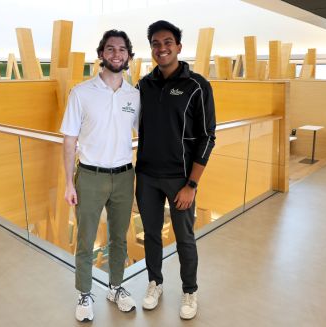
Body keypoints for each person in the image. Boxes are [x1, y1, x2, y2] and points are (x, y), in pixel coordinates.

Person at [135, 20, 216, 320]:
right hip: (146, 177)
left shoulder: (197, 86)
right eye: (156, 43)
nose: (162, 48)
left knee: (184, 238)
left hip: (180, 180)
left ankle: (189, 291)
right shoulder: (143, 85)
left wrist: (191, 185)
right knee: (152, 235)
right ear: (152, 49)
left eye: (167, 42)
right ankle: (154, 283)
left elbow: (208, 136)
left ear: (179, 47)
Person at [60, 29, 140, 322]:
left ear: (128, 56)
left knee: (119, 238)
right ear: (101, 54)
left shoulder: (135, 95)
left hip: (123, 176)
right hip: (90, 176)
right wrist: (69, 182)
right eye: (110, 48)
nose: (116, 54)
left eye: (122, 49)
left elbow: (146, 136)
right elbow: (69, 140)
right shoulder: (81, 92)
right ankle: (84, 293)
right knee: (86, 238)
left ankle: (115, 287)